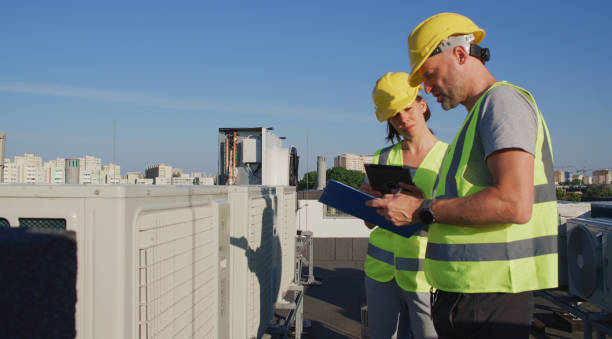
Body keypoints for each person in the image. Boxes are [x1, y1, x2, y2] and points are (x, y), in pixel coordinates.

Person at [366, 13, 558, 339]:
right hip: (471, 294)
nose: (427, 88)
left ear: (459, 54)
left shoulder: (502, 102)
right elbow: (465, 210)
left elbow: (514, 203)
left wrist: (422, 209)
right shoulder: (475, 121)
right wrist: (420, 206)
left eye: (430, 74)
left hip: (490, 297)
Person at [362, 72, 447, 339]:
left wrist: (424, 206)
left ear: (422, 105)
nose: (403, 119)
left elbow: (457, 216)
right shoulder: (383, 157)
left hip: (427, 277)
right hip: (380, 274)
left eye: (408, 109)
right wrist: (369, 203)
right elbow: (369, 223)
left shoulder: (449, 158)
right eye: (395, 114)